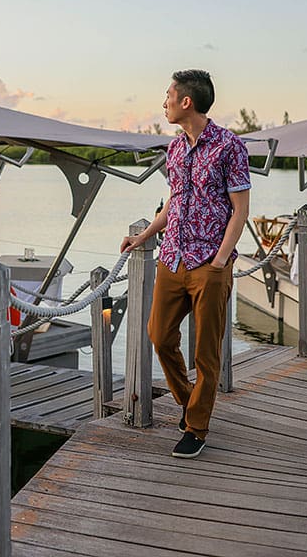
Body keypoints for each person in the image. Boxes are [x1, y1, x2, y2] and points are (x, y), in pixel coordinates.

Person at [119, 69, 250, 459]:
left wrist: (220, 261)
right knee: (159, 335)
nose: (164, 103)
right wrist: (144, 237)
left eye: (168, 96)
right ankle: (189, 402)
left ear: (186, 102)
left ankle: (196, 427)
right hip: (171, 259)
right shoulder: (175, 149)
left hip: (209, 262)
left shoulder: (229, 146)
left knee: (205, 354)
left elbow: (240, 210)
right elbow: (173, 203)